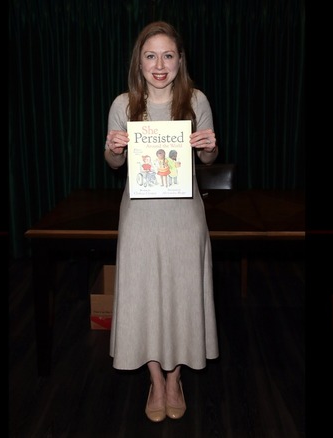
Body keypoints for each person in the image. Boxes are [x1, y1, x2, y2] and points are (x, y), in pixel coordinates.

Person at [104, 21, 219, 423]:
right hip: (139, 219)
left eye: (168, 55)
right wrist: (114, 148)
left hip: (184, 219)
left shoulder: (196, 100)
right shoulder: (123, 105)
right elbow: (114, 162)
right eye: (150, 55)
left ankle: (176, 378)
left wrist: (209, 148)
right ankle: (156, 378)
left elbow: (207, 161)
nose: (159, 64)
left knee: (182, 296)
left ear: (180, 60)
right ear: (139, 60)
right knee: (144, 297)